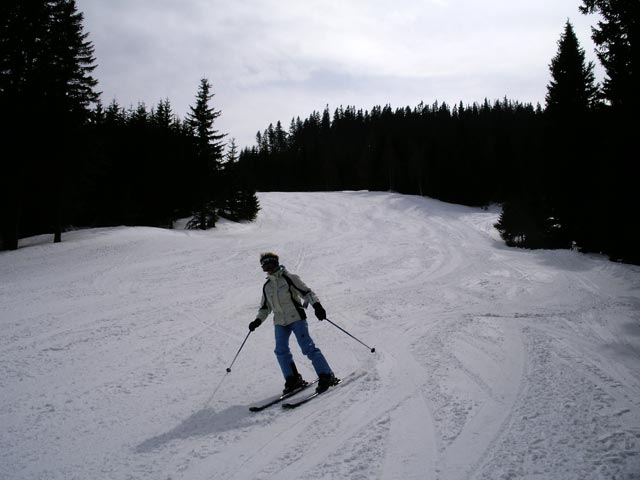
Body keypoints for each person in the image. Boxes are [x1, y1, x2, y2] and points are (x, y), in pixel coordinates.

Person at [249, 252, 338, 394]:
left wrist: (317, 307)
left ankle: (326, 375)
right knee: (280, 350)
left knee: (307, 347)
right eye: (264, 266)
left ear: (276, 263)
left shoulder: (290, 278)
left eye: (269, 264)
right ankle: (292, 379)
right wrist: (257, 321)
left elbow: (307, 293)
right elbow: (265, 308)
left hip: (296, 318)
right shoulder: (267, 286)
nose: (268, 268)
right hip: (280, 322)